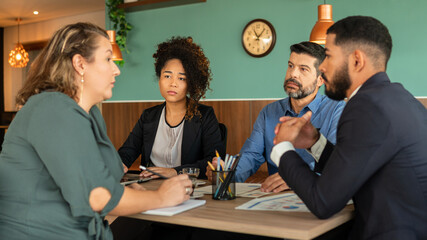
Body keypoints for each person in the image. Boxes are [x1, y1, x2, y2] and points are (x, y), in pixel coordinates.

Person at [0, 22, 193, 240]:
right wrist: (160, 197)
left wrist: (134, 195)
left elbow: (105, 184)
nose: (116, 69)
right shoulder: (52, 108)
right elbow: (98, 197)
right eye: (108, 59)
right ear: (80, 64)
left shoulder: (90, 114)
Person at [272, 16, 427, 239]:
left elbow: (323, 202)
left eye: (328, 56)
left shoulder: (365, 107)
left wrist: (283, 147)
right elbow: (351, 168)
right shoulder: (400, 99)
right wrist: (315, 142)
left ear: (356, 61)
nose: (322, 67)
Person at [206, 41, 345, 192]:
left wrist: (297, 179)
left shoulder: (337, 110)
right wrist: (226, 172)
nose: (293, 74)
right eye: (290, 65)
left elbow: (337, 166)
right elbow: (250, 156)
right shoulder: (269, 113)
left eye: (303, 69)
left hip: (319, 195)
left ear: (321, 79)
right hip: (275, 199)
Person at [118, 36, 225, 179]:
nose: (173, 83)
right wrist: (119, 163)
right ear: (159, 79)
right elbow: (127, 152)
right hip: (150, 187)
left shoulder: (204, 115)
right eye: (167, 76)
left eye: (181, 78)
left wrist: (175, 171)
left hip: (188, 189)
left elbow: (212, 162)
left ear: (190, 83)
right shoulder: (148, 116)